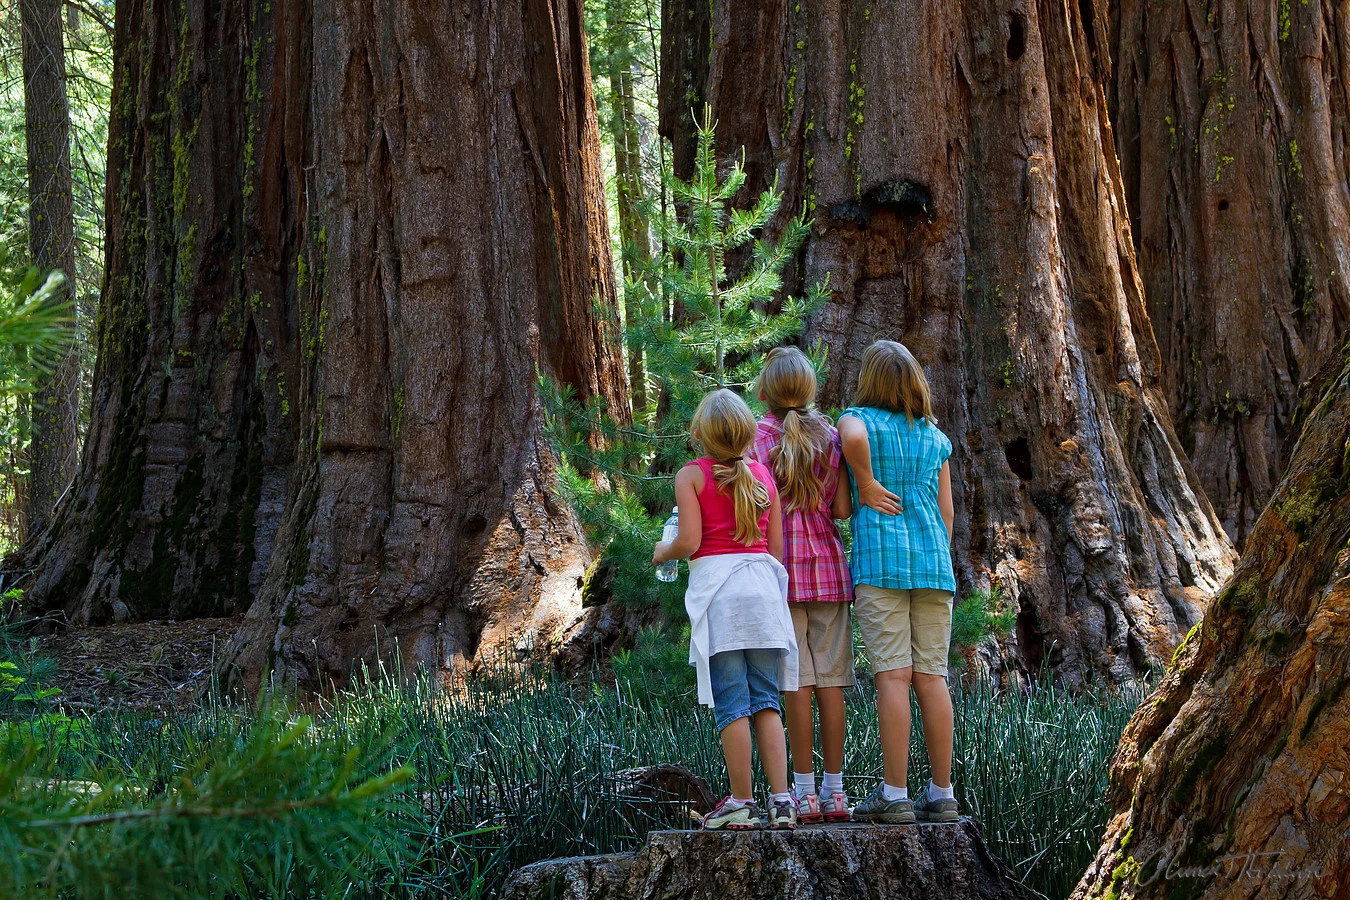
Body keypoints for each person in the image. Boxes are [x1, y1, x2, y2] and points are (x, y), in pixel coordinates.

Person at [652, 388, 800, 830]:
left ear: (698, 433)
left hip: (721, 598)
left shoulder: (691, 476)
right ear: (747, 433)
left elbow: (691, 542)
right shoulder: (762, 477)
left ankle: (741, 801)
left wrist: (663, 551)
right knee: (766, 700)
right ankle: (782, 801)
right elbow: (775, 549)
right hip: (763, 596)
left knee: (732, 702)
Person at [839, 341, 960, 825]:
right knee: (932, 678)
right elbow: (947, 511)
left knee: (892, 675)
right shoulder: (935, 437)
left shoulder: (860, 419)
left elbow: (847, 437)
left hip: (881, 566)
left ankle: (894, 794)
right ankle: (942, 793)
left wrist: (865, 484)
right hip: (933, 568)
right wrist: (936, 553)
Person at [748, 347, 854, 824]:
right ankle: (836, 794)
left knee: (796, 684)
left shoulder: (754, 439)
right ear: (810, 391)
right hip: (830, 573)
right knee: (832, 683)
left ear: (764, 391)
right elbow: (841, 510)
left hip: (780, 576)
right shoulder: (832, 438)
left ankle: (805, 793)